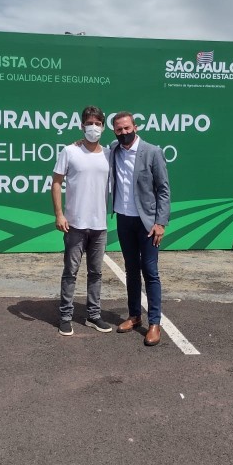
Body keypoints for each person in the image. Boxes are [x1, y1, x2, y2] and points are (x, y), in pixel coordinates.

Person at [110, 111, 170, 346]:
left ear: (135, 127)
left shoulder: (152, 152)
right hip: (124, 220)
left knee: (150, 271)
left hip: (147, 223)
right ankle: (134, 316)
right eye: (119, 129)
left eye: (127, 128)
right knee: (131, 270)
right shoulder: (114, 150)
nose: (123, 132)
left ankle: (154, 323)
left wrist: (160, 223)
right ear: (114, 131)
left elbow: (163, 190)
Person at [51, 105, 112, 336]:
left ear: (103, 127)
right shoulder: (70, 151)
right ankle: (65, 316)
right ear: (81, 126)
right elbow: (56, 182)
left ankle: (93, 315)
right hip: (75, 224)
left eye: (98, 123)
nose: (93, 127)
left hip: (100, 226)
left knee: (96, 273)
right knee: (70, 272)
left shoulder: (109, 153)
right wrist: (59, 214)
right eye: (89, 123)